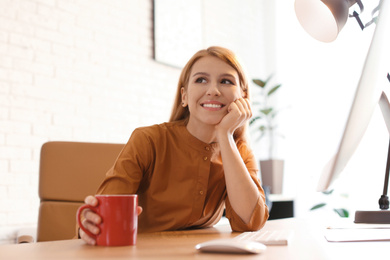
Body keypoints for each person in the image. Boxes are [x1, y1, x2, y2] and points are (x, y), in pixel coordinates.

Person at [79, 46, 269, 245]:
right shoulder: (148, 140)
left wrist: (225, 135)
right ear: (184, 96)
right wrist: (91, 224)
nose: (213, 90)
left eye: (226, 81)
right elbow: (102, 214)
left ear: (243, 97)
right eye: (201, 80)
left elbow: (251, 222)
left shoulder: (239, 152)